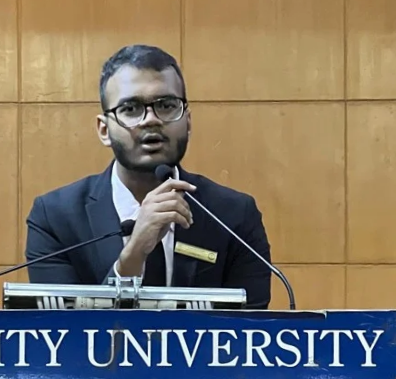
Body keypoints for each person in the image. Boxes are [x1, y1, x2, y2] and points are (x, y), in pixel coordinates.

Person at [25, 44, 272, 309]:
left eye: (166, 105)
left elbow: (251, 327)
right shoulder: (55, 218)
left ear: (188, 122)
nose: (151, 120)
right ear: (104, 130)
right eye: (131, 108)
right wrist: (133, 255)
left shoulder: (233, 216)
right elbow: (62, 329)